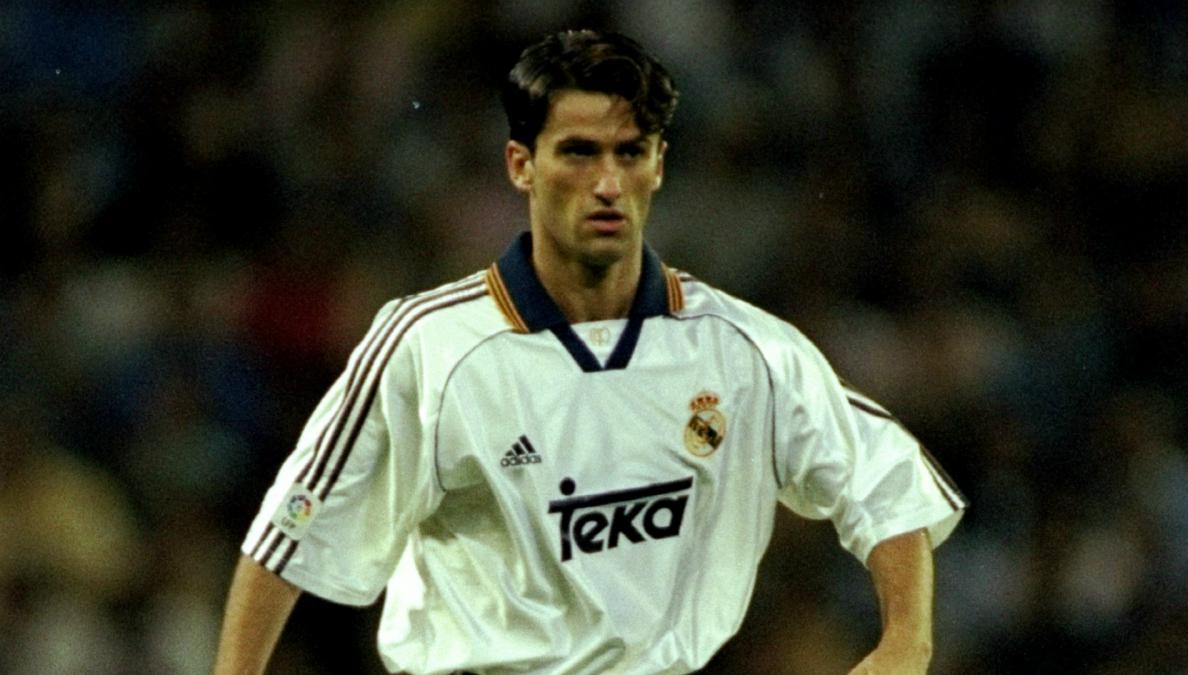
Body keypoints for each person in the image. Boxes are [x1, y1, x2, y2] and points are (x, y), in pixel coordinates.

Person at [213, 29, 966, 675]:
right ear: (521, 164)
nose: (607, 182)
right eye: (578, 152)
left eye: (629, 152)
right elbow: (289, 537)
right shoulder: (429, 345)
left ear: (659, 165)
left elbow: (884, 477)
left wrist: (908, 639)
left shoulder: (745, 351)